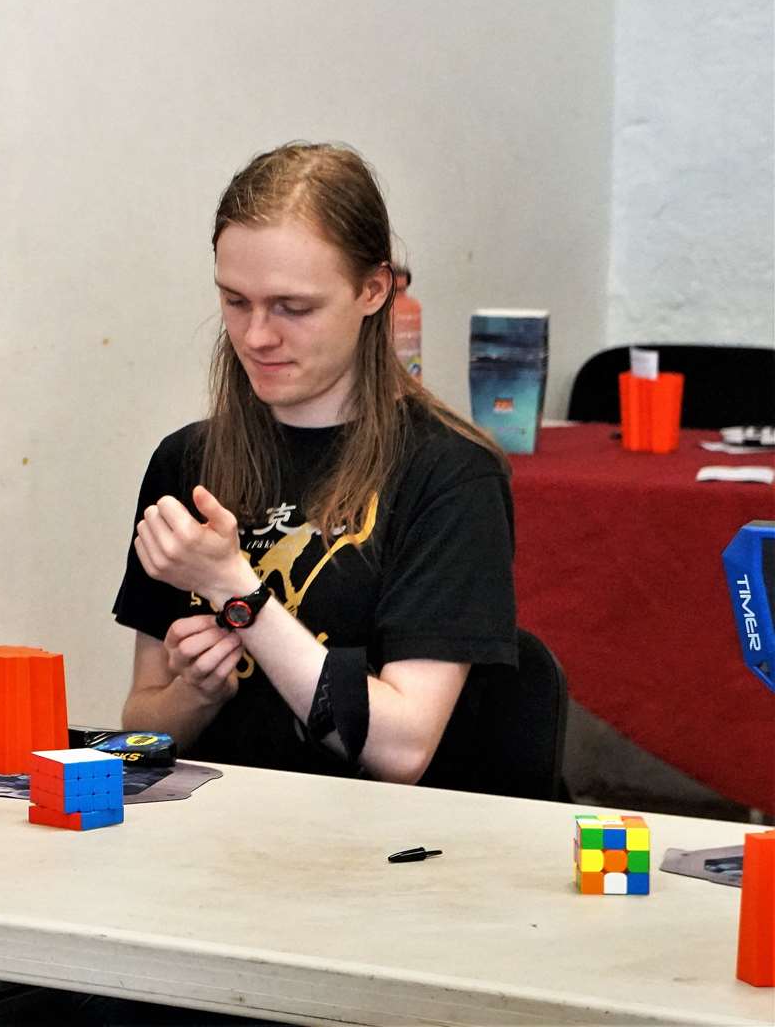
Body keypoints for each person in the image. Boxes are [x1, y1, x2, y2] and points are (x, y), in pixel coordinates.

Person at [115, 142, 516, 790]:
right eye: (235, 301)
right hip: (217, 838)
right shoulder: (186, 461)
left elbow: (401, 750)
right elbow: (143, 728)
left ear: (373, 290)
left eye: (292, 308)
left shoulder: (450, 474)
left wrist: (237, 595)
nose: (256, 336)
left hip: (384, 849)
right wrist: (195, 693)